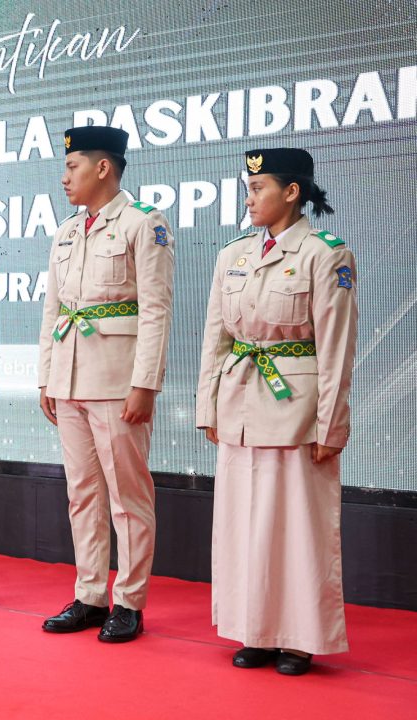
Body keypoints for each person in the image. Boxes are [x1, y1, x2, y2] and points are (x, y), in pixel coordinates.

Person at [195, 148, 357, 676]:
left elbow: (335, 349)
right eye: (248, 186)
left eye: (259, 187)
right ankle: (255, 630)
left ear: (292, 192)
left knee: (297, 527)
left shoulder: (325, 253)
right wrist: (208, 407)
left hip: (297, 409)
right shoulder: (233, 255)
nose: (249, 197)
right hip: (240, 402)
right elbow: (215, 340)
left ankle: (300, 638)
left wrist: (331, 424)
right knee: (242, 524)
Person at [37, 126, 175, 642]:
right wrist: (47, 375)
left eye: (72, 167)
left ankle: (130, 601)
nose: (64, 177)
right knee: (82, 494)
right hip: (70, 379)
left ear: (102, 167)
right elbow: (54, 308)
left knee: (127, 495)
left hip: (118, 380)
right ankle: (90, 594)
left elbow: (156, 309)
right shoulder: (67, 232)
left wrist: (145, 383)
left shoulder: (144, 224)